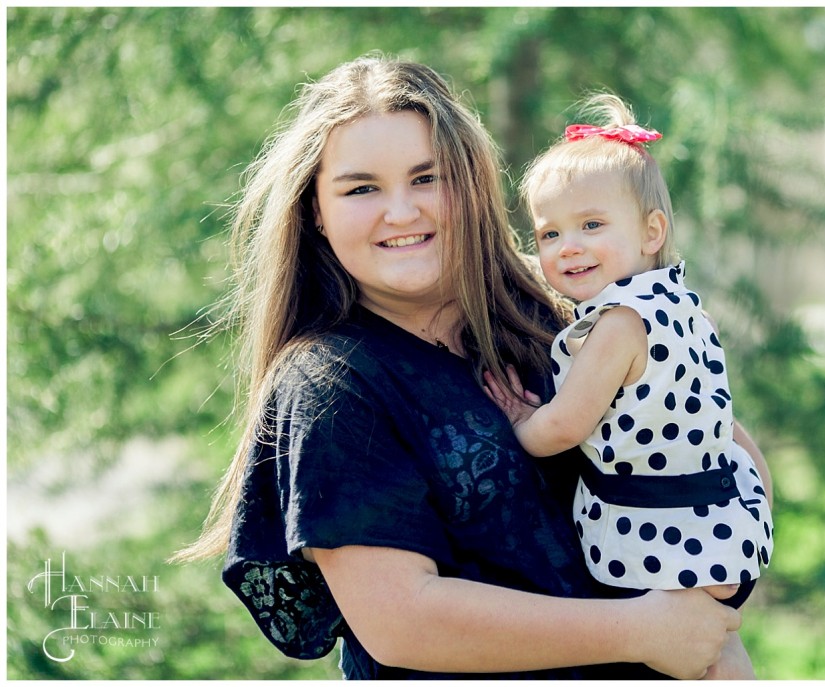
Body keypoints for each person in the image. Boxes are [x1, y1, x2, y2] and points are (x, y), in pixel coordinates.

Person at [174, 53, 749, 679]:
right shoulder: (330, 384)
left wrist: (707, 602)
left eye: (428, 178)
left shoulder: (560, 306)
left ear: (470, 184)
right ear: (316, 208)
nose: (402, 212)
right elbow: (404, 622)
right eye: (362, 188)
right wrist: (642, 631)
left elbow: (717, 448)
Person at [483, 94, 774, 611]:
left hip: (659, 535)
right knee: (717, 650)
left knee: (684, 649)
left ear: (651, 231)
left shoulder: (618, 324)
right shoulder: (688, 308)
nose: (567, 246)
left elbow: (566, 426)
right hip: (726, 519)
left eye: (591, 225)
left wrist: (518, 419)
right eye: (550, 233)